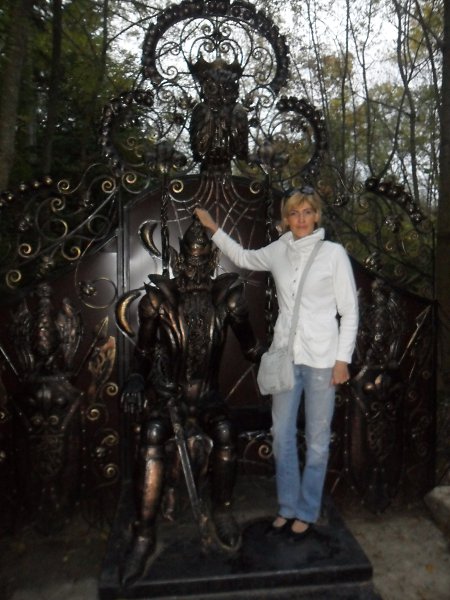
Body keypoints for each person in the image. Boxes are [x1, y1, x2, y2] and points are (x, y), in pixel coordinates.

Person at [195, 186, 359, 538]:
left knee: (317, 440)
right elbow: (243, 257)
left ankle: (308, 509)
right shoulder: (278, 250)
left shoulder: (333, 254)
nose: (301, 219)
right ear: (286, 219)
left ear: (316, 216)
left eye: (307, 212)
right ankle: (287, 505)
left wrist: (342, 360)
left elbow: (349, 311)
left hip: (322, 360)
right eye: (294, 213)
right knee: (281, 434)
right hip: (286, 356)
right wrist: (213, 228)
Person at [119, 216, 263, 584]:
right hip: (173, 396)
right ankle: (144, 533)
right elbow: (143, 352)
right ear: (181, 259)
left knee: (226, 431)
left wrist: (274, 357)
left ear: (212, 261)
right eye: (190, 260)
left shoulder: (227, 298)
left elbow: (250, 347)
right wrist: (136, 378)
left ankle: (222, 510)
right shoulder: (158, 300)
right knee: (152, 433)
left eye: (203, 260)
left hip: (209, 396)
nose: (196, 268)